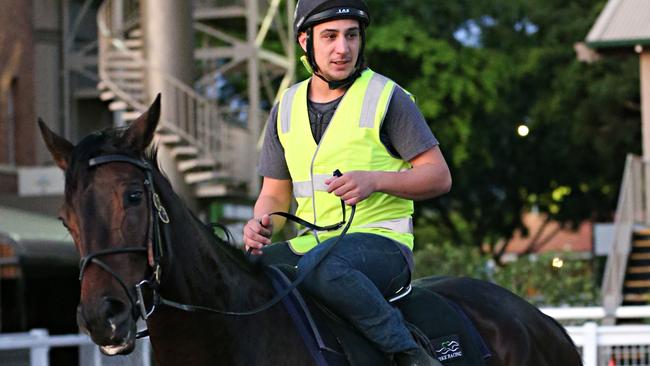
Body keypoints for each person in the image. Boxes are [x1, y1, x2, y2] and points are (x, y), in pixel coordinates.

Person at [243, 0, 451, 365]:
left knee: (323, 269)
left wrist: (374, 181)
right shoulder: (285, 108)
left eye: (352, 36)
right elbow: (274, 193)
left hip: (382, 243)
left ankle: (410, 355)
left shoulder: (389, 98)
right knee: (243, 276)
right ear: (305, 41)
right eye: (330, 36)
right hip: (308, 247)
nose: (343, 48)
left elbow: (439, 176)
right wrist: (262, 224)